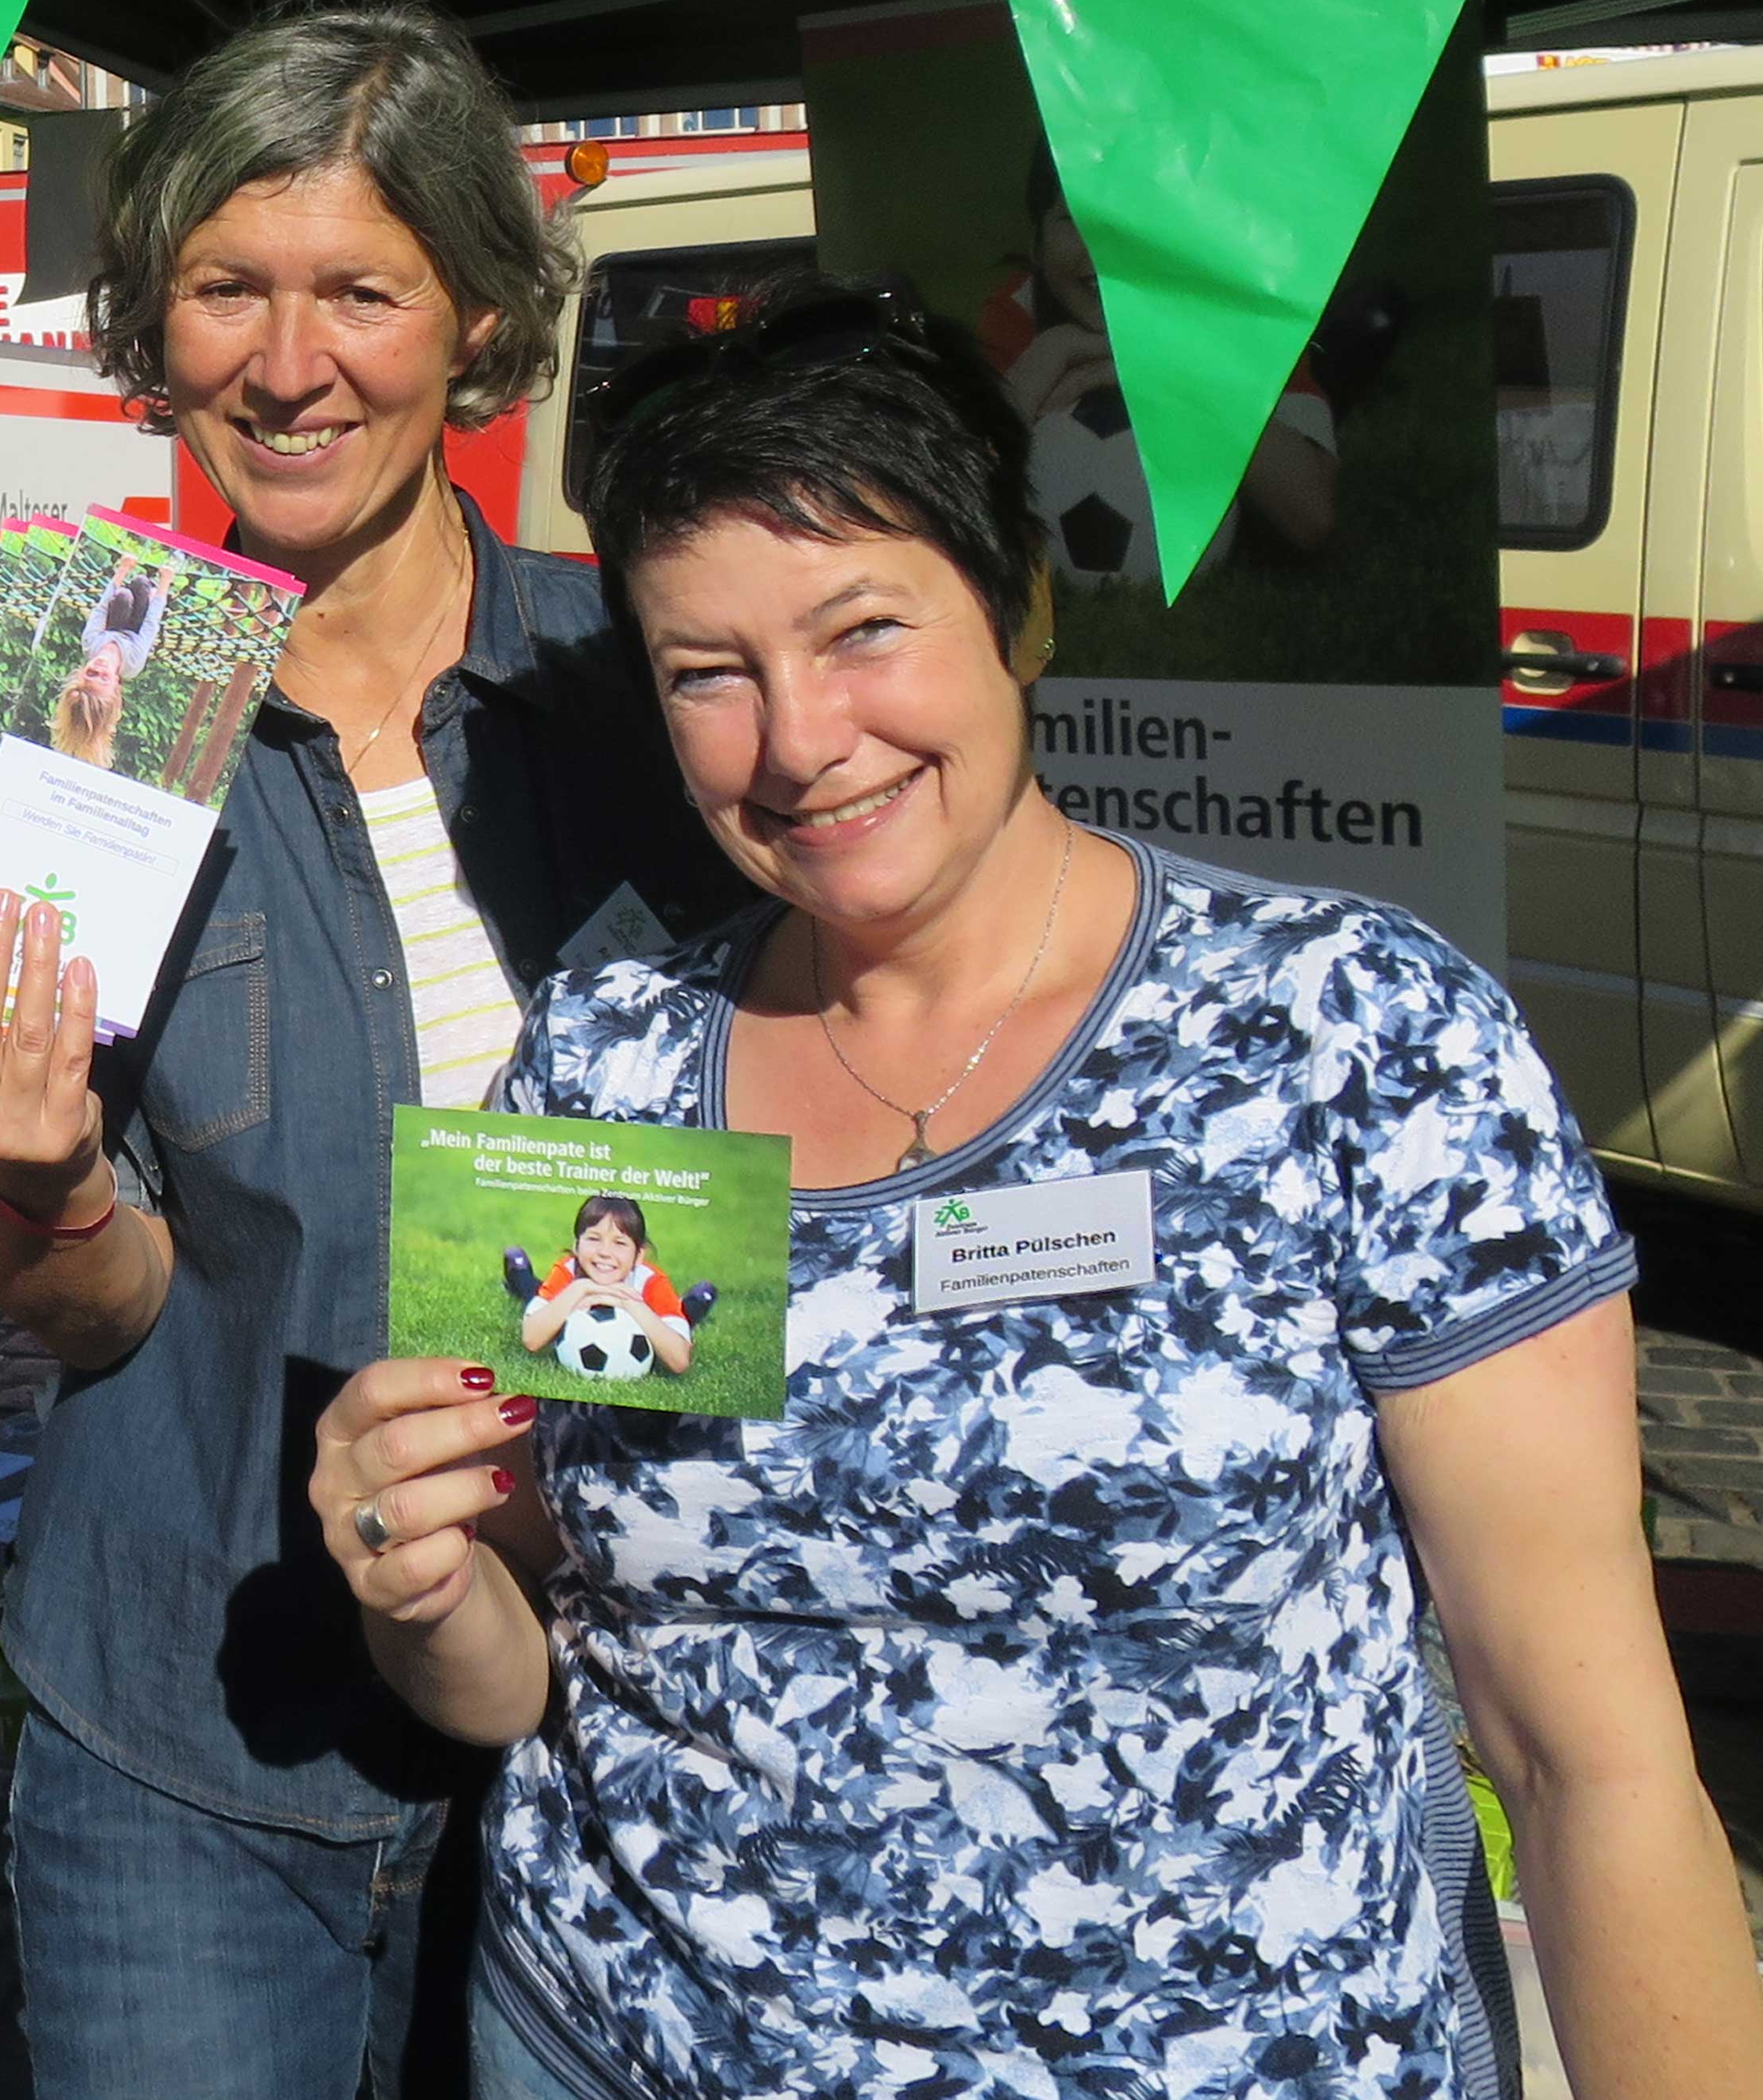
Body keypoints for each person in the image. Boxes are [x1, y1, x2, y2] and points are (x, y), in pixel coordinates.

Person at [307, 273, 1763, 2100]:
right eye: (706, 671)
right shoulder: (605, 1070)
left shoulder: (1343, 1037)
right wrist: (409, 1569)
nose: (799, 738)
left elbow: (1589, 1758)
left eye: (860, 629)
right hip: (615, 2043)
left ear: (1019, 610)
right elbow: (514, 1671)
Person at [0, 0, 746, 2098]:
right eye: (225, 291)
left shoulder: (655, 696)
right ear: (152, 321)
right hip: (194, 1735)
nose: (287, 366)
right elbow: (90, 1319)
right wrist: (41, 1181)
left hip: (615, 1728)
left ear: (473, 317)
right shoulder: (63, 723)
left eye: (360, 289)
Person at [987, 142, 1337, 582]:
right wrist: (1052, 353)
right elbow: (956, 485)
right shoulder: (1018, 314)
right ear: (1037, 245)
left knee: (1340, 368)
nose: (1107, 253)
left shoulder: (1240, 325)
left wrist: (1165, 376)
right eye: (1075, 220)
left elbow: (1311, 518)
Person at [509, 1195, 694, 1373]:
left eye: (620, 1243)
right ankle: (521, 1277)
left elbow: (679, 1361)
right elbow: (532, 1340)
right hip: (570, 1284)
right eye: (594, 1239)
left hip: (646, 1302)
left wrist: (630, 1304)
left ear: (639, 1255)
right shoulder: (569, 1270)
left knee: (674, 1316)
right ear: (576, 1246)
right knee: (533, 1293)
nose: (605, 1252)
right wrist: (580, 1288)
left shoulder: (650, 1281)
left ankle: (692, 1307)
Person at [46, 558, 169, 768]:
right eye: (103, 678)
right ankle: (149, 590)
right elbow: (150, 626)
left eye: (91, 673)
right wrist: (165, 583)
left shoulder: (91, 644)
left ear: (81, 672)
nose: (100, 668)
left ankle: (139, 589)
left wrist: (122, 570)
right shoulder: (132, 663)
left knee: (122, 597)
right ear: (116, 683)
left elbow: (101, 610)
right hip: (136, 630)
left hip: (116, 619)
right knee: (139, 583)